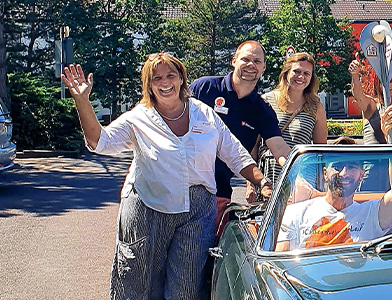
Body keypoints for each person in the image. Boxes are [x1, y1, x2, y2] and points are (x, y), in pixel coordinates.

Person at [61, 55, 272, 299]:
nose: (164, 82)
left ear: (182, 78)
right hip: (148, 206)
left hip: (197, 211)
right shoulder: (139, 117)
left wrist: (262, 181)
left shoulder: (204, 113)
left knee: (186, 286)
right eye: (156, 78)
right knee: (138, 282)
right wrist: (82, 101)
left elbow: (235, 153)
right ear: (149, 85)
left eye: (171, 75)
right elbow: (99, 142)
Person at [188, 40, 291, 231]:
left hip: (218, 191)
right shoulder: (204, 88)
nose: (251, 65)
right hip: (179, 185)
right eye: (246, 59)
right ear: (234, 61)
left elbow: (280, 148)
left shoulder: (262, 110)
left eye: (257, 61)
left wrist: (296, 170)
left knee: (207, 251)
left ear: (263, 67)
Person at [275, 138, 392, 251]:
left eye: (352, 167)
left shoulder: (372, 213)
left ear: (361, 174)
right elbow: (281, 262)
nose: (344, 173)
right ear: (324, 174)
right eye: (337, 166)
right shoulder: (295, 213)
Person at [246, 52, 328, 201]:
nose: (301, 77)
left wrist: (321, 186)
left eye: (306, 73)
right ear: (287, 72)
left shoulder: (316, 107)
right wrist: (250, 184)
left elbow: (320, 151)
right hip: (269, 177)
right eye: (296, 71)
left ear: (311, 78)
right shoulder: (266, 101)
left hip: (301, 177)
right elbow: (253, 146)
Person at [348, 56, 392, 144]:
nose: (388, 85)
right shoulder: (372, 106)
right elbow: (358, 96)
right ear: (378, 83)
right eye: (384, 81)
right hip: (373, 156)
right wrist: (355, 75)